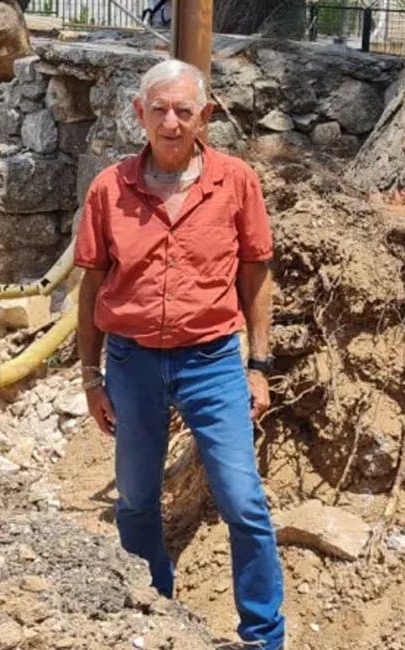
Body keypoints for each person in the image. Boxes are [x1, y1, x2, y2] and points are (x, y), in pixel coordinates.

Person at [73, 58, 285, 650]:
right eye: (159, 108)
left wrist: (259, 366)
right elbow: (91, 288)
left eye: (184, 110)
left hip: (213, 362)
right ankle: (151, 620)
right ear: (139, 113)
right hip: (132, 363)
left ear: (204, 117)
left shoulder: (237, 181)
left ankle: (264, 637)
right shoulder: (108, 189)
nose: (171, 121)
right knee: (137, 500)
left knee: (243, 502)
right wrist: (92, 377)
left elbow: (256, 274)